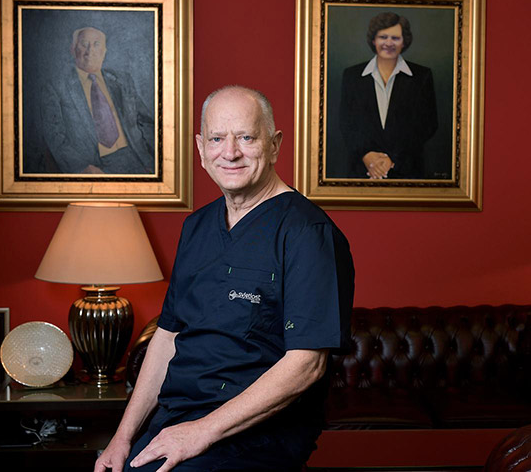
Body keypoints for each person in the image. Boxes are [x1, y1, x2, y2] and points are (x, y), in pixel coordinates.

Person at [94, 86, 354, 472]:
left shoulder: (308, 233)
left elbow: (306, 365)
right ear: (201, 149)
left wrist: (202, 432)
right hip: (177, 421)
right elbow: (167, 338)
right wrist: (123, 437)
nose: (230, 153)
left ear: (274, 145)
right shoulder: (196, 227)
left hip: (258, 434)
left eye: (246, 137)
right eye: (217, 139)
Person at [39, 27, 156, 174]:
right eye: (84, 44)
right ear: (73, 49)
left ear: (104, 51)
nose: (90, 51)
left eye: (96, 44)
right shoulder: (55, 88)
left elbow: (146, 122)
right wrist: (81, 167)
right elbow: (55, 136)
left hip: (136, 158)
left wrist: (152, 159)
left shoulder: (122, 80)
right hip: (94, 166)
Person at [339, 12, 438, 179]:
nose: (389, 43)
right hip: (362, 171)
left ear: (404, 41)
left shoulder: (422, 76)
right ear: (373, 40)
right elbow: (346, 123)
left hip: (407, 171)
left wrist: (392, 159)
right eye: (383, 37)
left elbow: (427, 125)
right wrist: (367, 155)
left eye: (395, 38)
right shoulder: (352, 76)